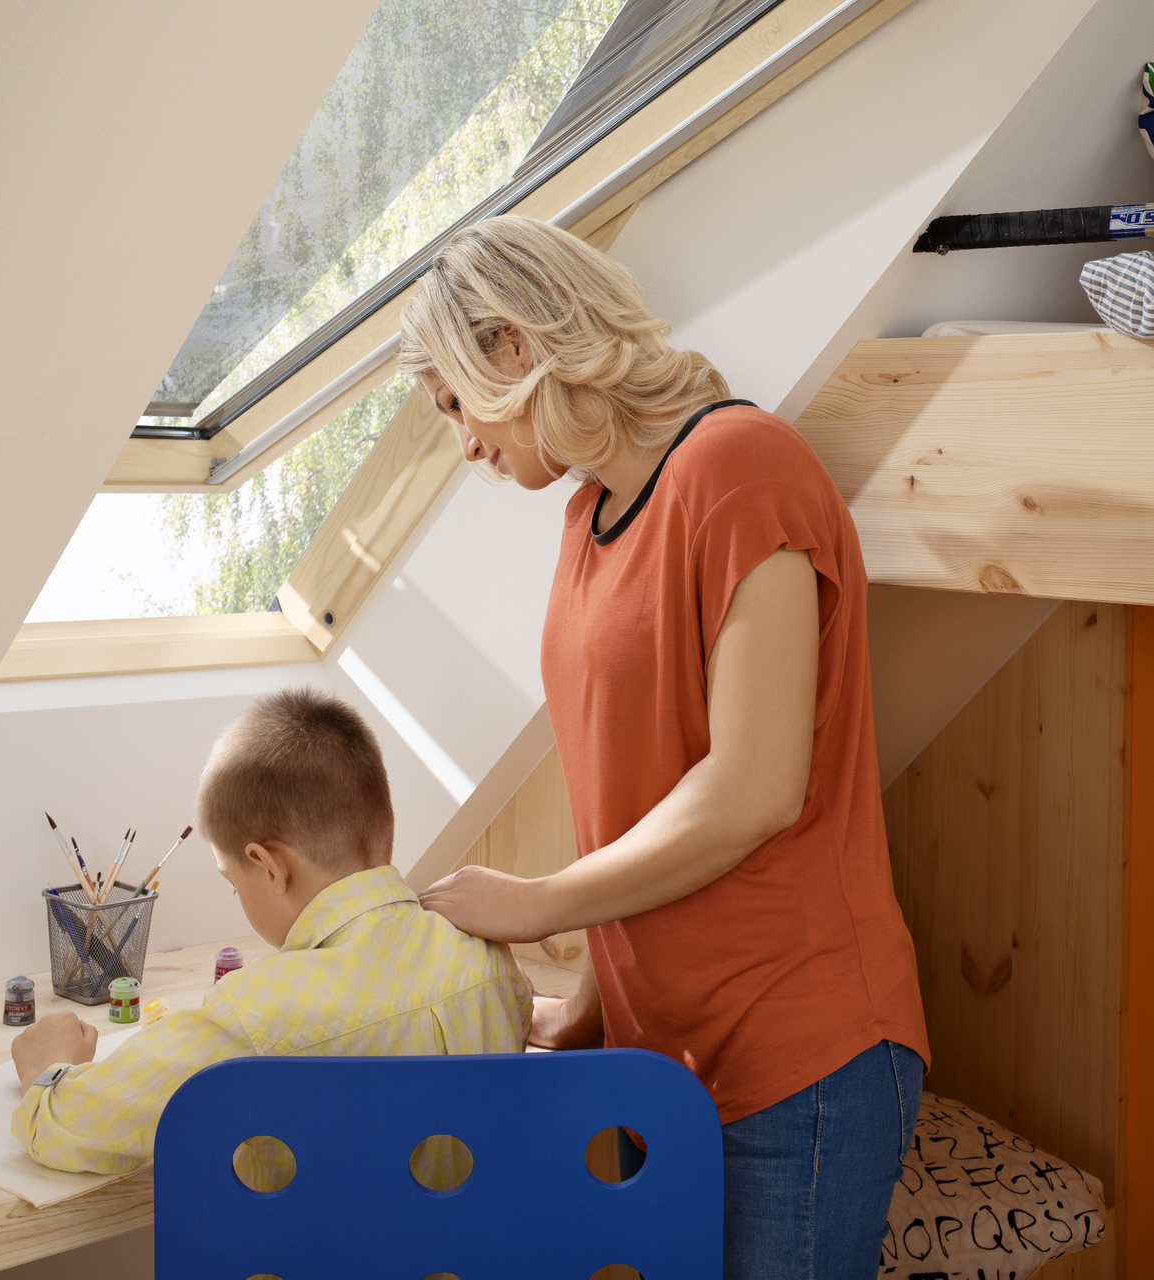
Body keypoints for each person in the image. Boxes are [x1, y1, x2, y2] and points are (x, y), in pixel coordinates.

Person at [399, 215, 931, 1279]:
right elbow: (630, 796)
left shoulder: (740, 465)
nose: (463, 443)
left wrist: (538, 902)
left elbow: (753, 786)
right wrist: (590, 1008)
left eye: (456, 403)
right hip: (660, 1061)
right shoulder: (586, 518)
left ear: (514, 346)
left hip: (800, 1046)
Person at [11, 688, 532, 1176]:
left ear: (268, 866)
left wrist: (47, 1068)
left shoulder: (253, 1014)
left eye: (231, 882)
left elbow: (65, 1126)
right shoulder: (490, 961)